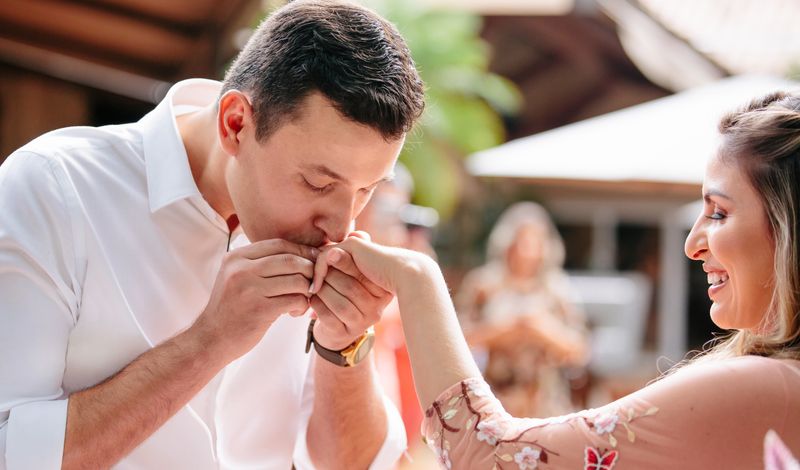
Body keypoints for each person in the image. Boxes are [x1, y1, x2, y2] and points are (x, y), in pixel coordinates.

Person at [0, 1, 425, 468]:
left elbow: (360, 463)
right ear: (235, 124)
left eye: (366, 190)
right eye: (318, 183)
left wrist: (343, 343)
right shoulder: (56, 189)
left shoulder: (320, 236)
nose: (342, 227)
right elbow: (11, 452)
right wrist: (209, 342)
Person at [310, 91, 800, 469]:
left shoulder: (768, 386)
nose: (692, 244)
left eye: (719, 212)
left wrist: (417, 277)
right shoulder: (486, 285)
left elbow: (489, 456)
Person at [456, 202, 588, 417]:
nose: (527, 251)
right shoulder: (484, 285)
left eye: (535, 243)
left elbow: (579, 350)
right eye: (522, 242)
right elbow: (458, 339)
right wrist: (502, 331)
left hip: (544, 403)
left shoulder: (557, 290)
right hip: (494, 400)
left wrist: (540, 329)